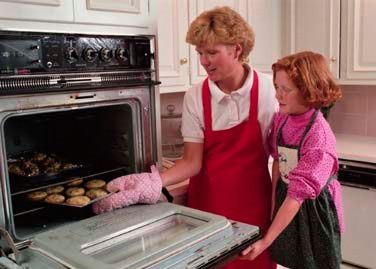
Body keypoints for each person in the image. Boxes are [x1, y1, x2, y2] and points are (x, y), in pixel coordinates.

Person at [93, 6, 278, 269]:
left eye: (212, 52)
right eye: (200, 52)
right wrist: (153, 182)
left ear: (237, 50)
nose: (203, 61)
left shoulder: (270, 90)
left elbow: (282, 158)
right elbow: (192, 162)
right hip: (207, 212)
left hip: (255, 209)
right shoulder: (195, 96)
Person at [241, 51, 344, 269]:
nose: (278, 96)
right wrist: (272, 206)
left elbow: (297, 196)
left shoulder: (319, 138)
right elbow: (278, 161)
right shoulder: (282, 119)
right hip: (286, 199)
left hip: (314, 209)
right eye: (276, 87)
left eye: (285, 89)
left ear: (308, 90)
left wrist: (266, 240)